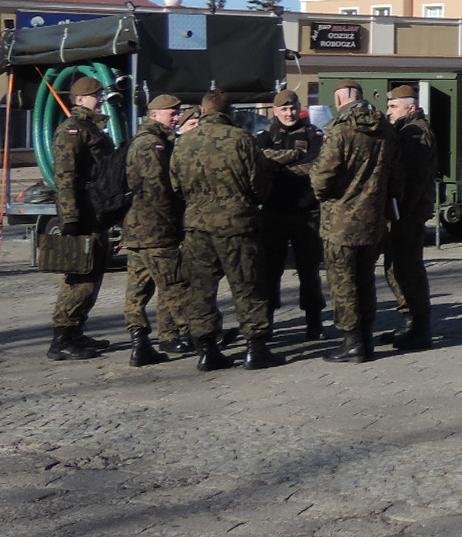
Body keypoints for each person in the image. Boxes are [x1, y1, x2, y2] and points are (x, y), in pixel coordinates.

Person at [172, 90, 279, 371]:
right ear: (229, 112)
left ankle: (207, 350)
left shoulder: (184, 142)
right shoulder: (242, 140)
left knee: (200, 290)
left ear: (202, 112)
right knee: (248, 287)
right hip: (238, 226)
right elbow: (260, 185)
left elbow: (175, 185)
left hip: (197, 227)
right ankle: (255, 349)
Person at [310, 78, 396, 363]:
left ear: (338, 100)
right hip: (373, 218)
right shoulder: (384, 129)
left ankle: (352, 342)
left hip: (341, 220)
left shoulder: (340, 131)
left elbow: (322, 176)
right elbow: (397, 173)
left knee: (342, 282)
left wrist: (325, 193)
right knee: (365, 279)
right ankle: (366, 339)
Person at [45, 76, 116, 361]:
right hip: (83, 215)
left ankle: (75, 331)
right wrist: (71, 216)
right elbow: (66, 177)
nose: (99, 99)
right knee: (80, 277)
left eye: (99, 95)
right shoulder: (72, 130)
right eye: (94, 95)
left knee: (92, 275)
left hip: (95, 212)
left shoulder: (91, 128)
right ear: (79, 99)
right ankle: (62, 338)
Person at [253, 90, 327, 342]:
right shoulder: (264, 137)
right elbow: (258, 162)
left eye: (293, 108)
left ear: (299, 108)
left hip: (306, 213)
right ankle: (267, 321)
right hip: (273, 213)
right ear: (275, 111)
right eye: (283, 109)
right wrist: (292, 164)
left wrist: (280, 170)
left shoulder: (313, 134)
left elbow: (316, 164)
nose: (289, 113)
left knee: (309, 271)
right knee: (270, 271)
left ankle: (314, 322)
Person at [121, 94, 188, 366]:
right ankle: (199, 335)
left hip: (139, 230)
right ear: (155, 115)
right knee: (174, 284)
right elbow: (158, 188)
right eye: (171, 113)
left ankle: (140, 344)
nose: (176, 117)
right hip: (155, 230)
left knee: (137, 290)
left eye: (177, 112)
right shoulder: (152, 144)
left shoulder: (150, 140)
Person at [380, 84, 436, 351]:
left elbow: (414, 178)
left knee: (408, 270)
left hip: (408, 213)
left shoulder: (416, 132)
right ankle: (408, 322)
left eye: (393, 107)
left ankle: (419, 329)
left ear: (410, 108)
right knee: (395, 268)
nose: (388, 111)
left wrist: (400, 212)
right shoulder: (404, 129)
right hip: (403, 212)